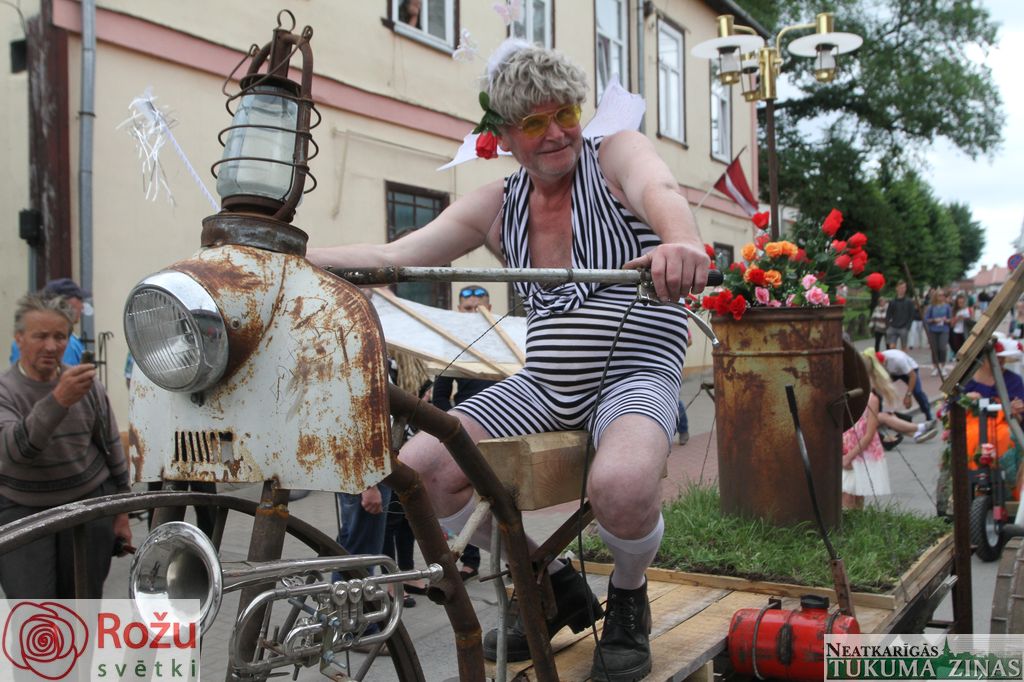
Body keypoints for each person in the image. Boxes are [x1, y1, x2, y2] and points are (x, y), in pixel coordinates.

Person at [308, 42, 709, 681]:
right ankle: (548, 578)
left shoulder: (614, 155)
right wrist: (287, 256)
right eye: (533, 123)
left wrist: (681, 241)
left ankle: (629, 599)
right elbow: (396, 255)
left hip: (635, 373)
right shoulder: (498, 204)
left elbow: (658, 186)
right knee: (419, 473)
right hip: (543, 383)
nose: (556, 133)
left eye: (566, 114)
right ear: (503, 134)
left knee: (621, 484)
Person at [0, 293, 132, 597]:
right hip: (22, 511)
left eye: (60, 337)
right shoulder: (6, 391)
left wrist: (122, 513)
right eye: (40, 336)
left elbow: (111, 447)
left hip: (86, 507)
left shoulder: (87, 386)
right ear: (19, 338)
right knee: (34, 613)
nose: (51, 346)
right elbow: (15, 451)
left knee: (82, 608)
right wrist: (58, 400)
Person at [431, 285, 501, 581]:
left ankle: (516, 560)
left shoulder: (503, 340)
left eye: (479, 307)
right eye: (468, 308)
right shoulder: (453, 345)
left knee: (510, 496)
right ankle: (470, 560)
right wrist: (455, 428)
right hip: (468, 431)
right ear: (460, 310)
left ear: (489, 308)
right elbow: (440, 397)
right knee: (467, 498)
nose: (474, 312)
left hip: (506, 428)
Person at [842, 354, 897, 509]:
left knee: (852, 497)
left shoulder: (871, 399)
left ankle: (856, 523)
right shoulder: (846, 395)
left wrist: (849, 457)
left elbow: (869, 434)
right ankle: (855, 523)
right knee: (848, 496)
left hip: (858, 454)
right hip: (844, 451)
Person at [9, 278, 87, 366]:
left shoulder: (23, 337)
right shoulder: (69, 344)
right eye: (80, 300)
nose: (51, 347)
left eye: (59, 337)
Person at [874, 348, 934, 422]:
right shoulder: (876, 361)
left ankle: (928, 414)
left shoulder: (898, 360)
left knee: (917, 392)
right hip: (893, 373)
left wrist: (908, 395)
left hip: (910, 371)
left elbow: (912, 376)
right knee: (878, 390)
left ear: (885, 361)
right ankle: (878, 415)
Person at [924, 290, 951, 376]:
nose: (941, 297)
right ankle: (935, 367)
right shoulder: (931, 307)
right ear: (936, 296)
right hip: (933, 330)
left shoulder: (947, 307)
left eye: (943, 295)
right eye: (939, 295)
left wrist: (946, 320)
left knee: (942, 348)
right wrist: (934, 320)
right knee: (934, 349)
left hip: (944, 329)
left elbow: (951, 319)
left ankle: (943, 366)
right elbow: (926, 319)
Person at [885, 280, 915, 350]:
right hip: (893, 327)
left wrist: (907, 327)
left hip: (904, 328)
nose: (902, 289)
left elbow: (911, 315)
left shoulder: (909, 301)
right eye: (901, 287)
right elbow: (888, 314)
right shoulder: (892, 301)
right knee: (891, 347)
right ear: (897, 288)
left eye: (904, 287)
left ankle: (903, 357)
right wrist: (888, 326)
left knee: (903, 348)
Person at [949, 293, 974, 359]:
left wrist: (965, 318)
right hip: (957, 332)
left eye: (962, 302)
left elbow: (972, 322)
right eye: (959, 302)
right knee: (958, 350)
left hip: (966, 332)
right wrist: (957, 319)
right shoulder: (955, 310)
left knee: (967, 350)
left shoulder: (969, 310)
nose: (961, 304)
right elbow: (952, 324)